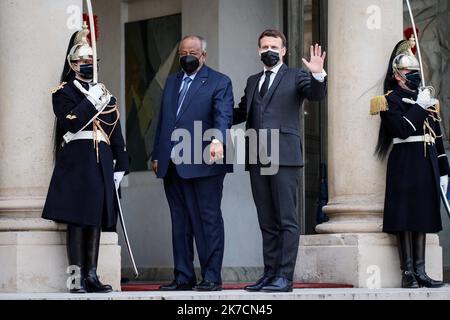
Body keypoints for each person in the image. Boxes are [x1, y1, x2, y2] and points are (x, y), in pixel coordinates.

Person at [233, 29, 327, 292]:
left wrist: (318, 74)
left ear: (284, 51)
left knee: (286, 219)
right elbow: (241, 111)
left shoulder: (296, 75)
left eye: (274, 46)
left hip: (284, 156)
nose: (269, 51)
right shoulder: (253, 81)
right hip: (257, 156)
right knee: (267, 221)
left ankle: (284, 277)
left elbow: (316, 95)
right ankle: (270, 274)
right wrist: (213, 115)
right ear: (258, 51)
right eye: (264, 47)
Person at [42, 23, 129, 293]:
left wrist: (121, 164)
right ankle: (76, 278)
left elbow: (115, 130)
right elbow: (71, 123)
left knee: (94, 219)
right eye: (82, 60)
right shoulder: (63, 93)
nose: (87, 64)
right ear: (72, 63)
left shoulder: (105, 93)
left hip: (101, 161)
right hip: (77, 160)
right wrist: (91, 100)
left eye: (90, 60)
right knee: (77, 219)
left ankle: (92, 275)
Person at [152, 35, 234, 292]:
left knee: (207, 220)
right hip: (172, 164)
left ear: (203, 56)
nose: (188, 56)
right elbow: (165, 119)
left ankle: (211, 276)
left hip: (205, 162)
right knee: (180, 222)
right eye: (183, 52)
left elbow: (223, 115)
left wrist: (218, 140)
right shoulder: (172, 81)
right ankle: (183, 276)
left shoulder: (219, 82)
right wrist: (157, 154)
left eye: (193, 52)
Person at [372, 37, 447, 288]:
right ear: (397, 75)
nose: (413, 75)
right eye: (408, 72)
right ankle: (408, 273)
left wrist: (444, 170)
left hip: (427, 162)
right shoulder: (389, 100)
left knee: (423, 215)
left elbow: (436, 136)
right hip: (405, 161)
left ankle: (422, 271)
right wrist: (419, 106)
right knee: (405, 217)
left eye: (415, 71)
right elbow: (402, 130)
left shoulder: (425, 97)